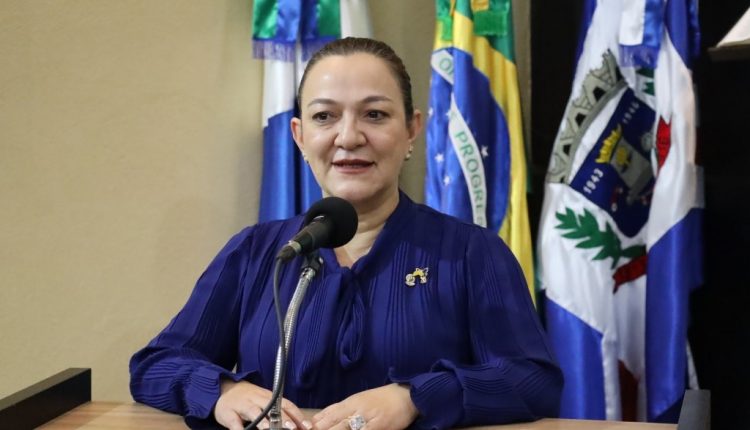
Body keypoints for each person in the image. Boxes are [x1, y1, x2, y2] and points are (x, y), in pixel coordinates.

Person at [130, 37, 563, 430]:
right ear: (300, 136)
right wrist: (223, 391)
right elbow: (155, 366)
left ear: (411, 130)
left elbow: (533, 380)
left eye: (375, 114)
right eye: (325, 116)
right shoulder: (259, 251)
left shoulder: (471, 252)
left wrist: (416, 398)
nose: (349, 136)